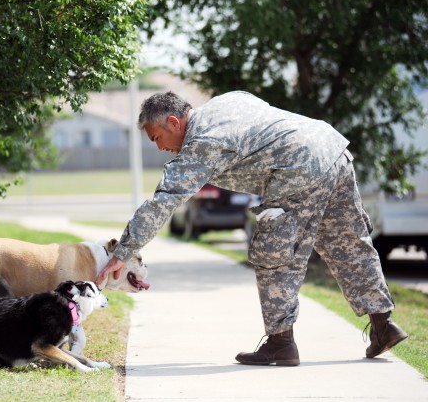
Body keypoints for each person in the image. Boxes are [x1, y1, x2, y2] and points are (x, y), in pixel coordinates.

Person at [95, 91, 408, 366]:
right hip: (333, 152)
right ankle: (384, 326)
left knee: (275, 254)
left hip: (297, 168)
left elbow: (162, 202)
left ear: (174, 122)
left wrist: (125, 251)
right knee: (350, 244)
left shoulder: (202, 142)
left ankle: (281, 344)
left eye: (157, 138)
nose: (161, 148)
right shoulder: (227, 101)